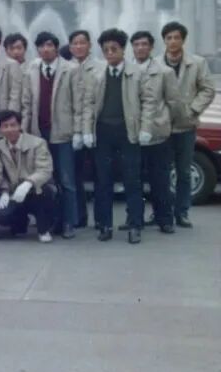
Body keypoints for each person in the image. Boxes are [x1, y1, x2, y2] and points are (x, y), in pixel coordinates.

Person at [81, 29, 156, 244]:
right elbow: (89, 104)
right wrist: (87, 130)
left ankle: (135, 225)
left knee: (132, 180)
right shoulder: (97, 74)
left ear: (123, 50)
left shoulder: (136, 73)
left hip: (128, 132)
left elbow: (149, 102)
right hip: (103, 133)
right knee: (103, 181)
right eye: (106, 50)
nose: (110, 53)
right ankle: (104, 225)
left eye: (114, 49)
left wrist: (146, 128)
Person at [20, 32, 81, 238]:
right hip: (38, 133)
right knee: (45, 179)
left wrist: (78, 131)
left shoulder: (70, 69)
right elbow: (26, 103)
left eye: (49, 45)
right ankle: (51, 221)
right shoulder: (31, 70)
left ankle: (69, 222)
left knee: (66, 180)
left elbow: (78, 103)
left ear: (56, 48)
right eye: (41, 46)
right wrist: (24, 130)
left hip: (63, 132)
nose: (45, 49)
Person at [161, 21, 215, 228]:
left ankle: (182, 212)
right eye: (169, 38)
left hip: (186, 126)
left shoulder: (197, 63)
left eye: (177, 37)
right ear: (164, 41)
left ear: (183, 40)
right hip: (162, 127)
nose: (173, 41)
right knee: (160, 172)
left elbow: (208, 89)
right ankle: (161, 210)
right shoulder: (155, 63)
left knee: (183, 172)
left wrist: (193, 109)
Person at [130, 30, 177, 234]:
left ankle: (164, 218)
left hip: (157, 134)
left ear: (151, 47)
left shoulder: (165, 72)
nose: (140, 48)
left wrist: (164, 122)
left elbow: (173, 102)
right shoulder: (126, 69)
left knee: (160, 180)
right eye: (136, 44)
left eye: (144, 44)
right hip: (132, 135)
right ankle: (135, 218)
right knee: (134, 180)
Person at [0, 110, 55, 242]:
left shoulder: (38, 143)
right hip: (14, 191)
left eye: (13, 125)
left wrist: (28, 183)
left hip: (36, 189)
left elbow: (45, 170)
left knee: (45, 192)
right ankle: (21, 222)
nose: (9, 129)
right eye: (5, 126)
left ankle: (43, 229)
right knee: (2, 216)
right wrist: (4, 191)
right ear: (0, 129)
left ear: (20, 125)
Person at [68, 29, 102, 228]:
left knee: (100, 176)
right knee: (75, 176)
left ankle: (100, 219)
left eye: (83, 43)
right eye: (75, 43)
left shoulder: (101, 68)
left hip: (96, 131)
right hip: (73, 131)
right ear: (70, 47)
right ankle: (79, 216)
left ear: (90, 45)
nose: (79, 46)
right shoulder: (66, 68)